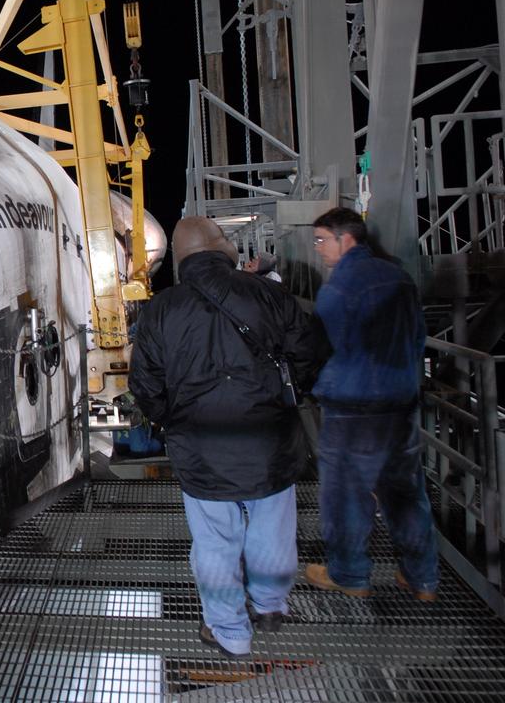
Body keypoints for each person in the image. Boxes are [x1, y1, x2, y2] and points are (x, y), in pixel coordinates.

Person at [130, 217, 327, 658]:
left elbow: (145, 384)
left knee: (216, 541)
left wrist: (170, 421)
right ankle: (271, 606)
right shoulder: (269, 294)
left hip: (200, 446)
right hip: (269, 438)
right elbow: (308, 356)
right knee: (273, 529)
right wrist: (283, 398)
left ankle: (230, 632)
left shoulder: (161, 309)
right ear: (221, 248)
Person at [306, 207, 438, 601]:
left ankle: (349, 573)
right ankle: (422, 578)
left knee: (347, 495)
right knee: (405, 494)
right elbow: (418, 338)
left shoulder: (340, 287)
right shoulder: (399, 276)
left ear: (345, 239)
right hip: (399, 404)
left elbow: (320, 347)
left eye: (320, 241)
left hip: (353, 409)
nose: (317, 250)